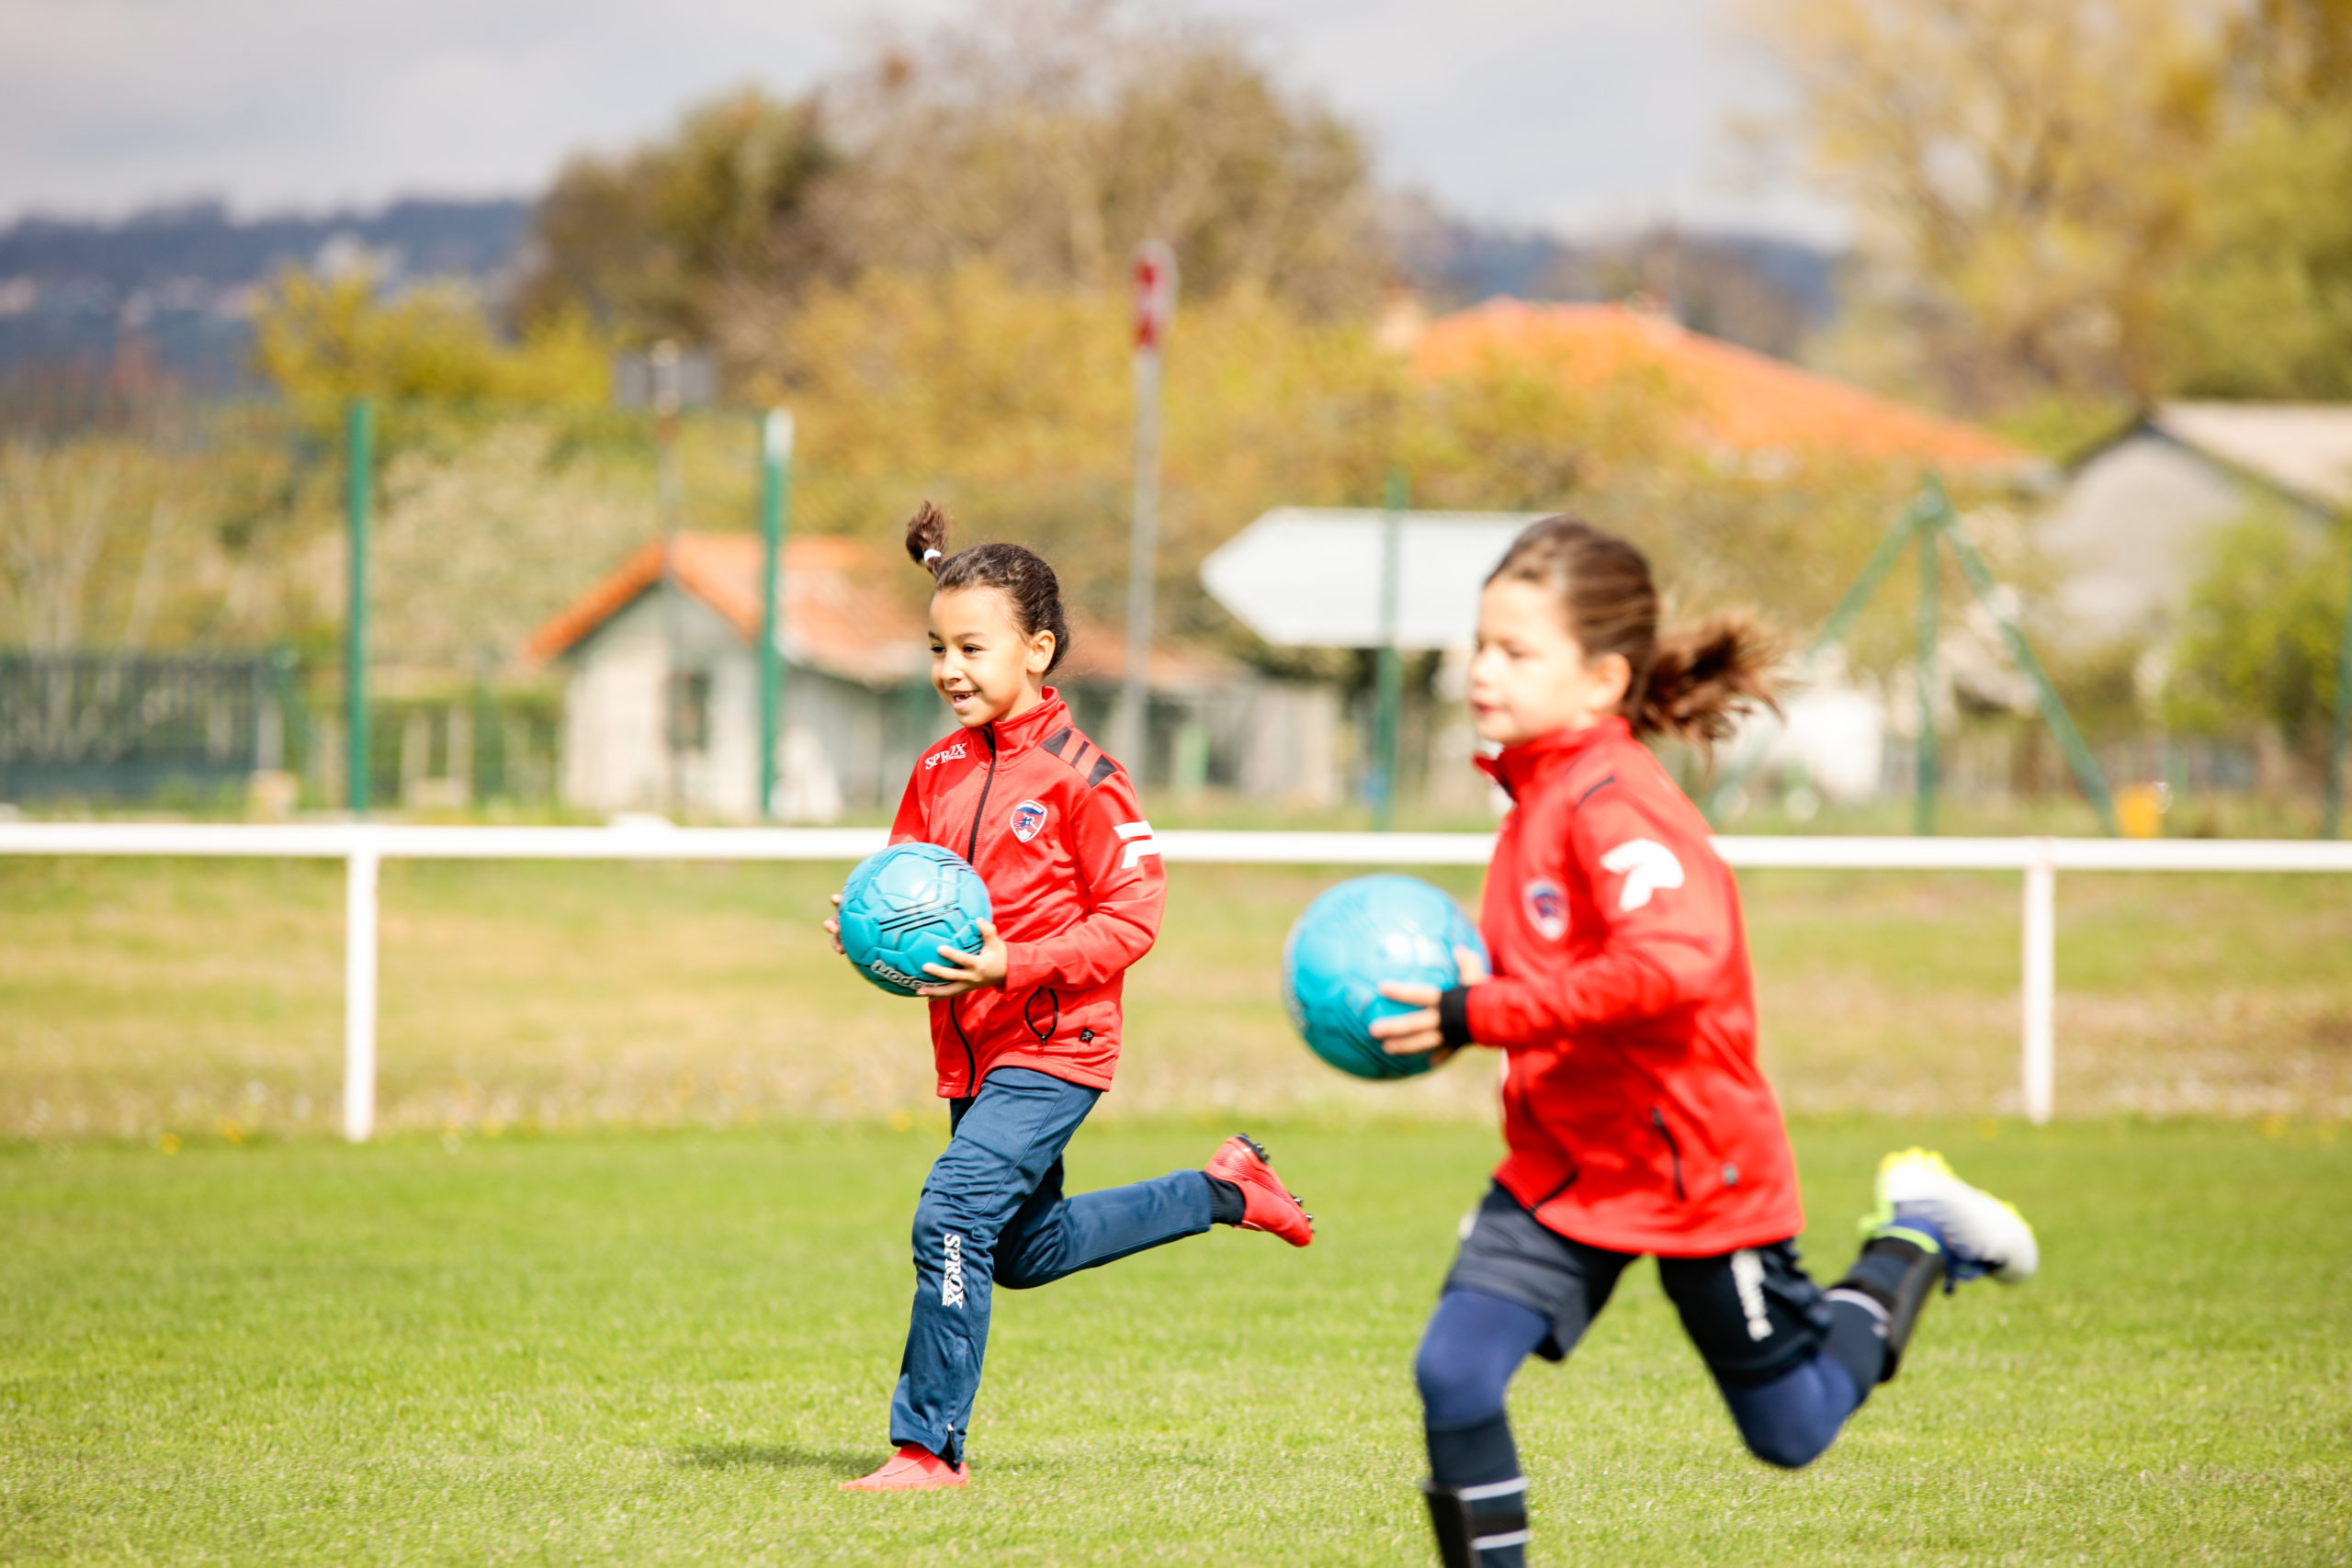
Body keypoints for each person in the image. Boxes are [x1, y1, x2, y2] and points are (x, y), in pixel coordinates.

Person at [1371, 517, 2039, 1568]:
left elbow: (1672, 966)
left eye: (1515, 651)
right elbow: (1556, 976)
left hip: (1691, 1165)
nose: (1481, 670)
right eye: (1480, 643)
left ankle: (1913, 1239)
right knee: (1453, 1373)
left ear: (1601, 680)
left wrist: (1480, 1013)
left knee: (1791, 1431)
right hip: (1566, 1163)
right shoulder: (1534, 791)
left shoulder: (1615, 802)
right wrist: (1462, 1013)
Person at [828, 502, 1316, 1494]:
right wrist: (865, 927)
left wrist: (1012, 964)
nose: (949, 669)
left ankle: (928, 1448)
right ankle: (1224, 1191)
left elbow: (1133, 920)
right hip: (971, 1053)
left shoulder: (1086, 778)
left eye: (972, 648)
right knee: (1023, 1250)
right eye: (937, 648)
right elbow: (906, 887)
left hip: (1056, 1048)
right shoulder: (935, 770)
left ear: (1037, 651)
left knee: (950, 1216)